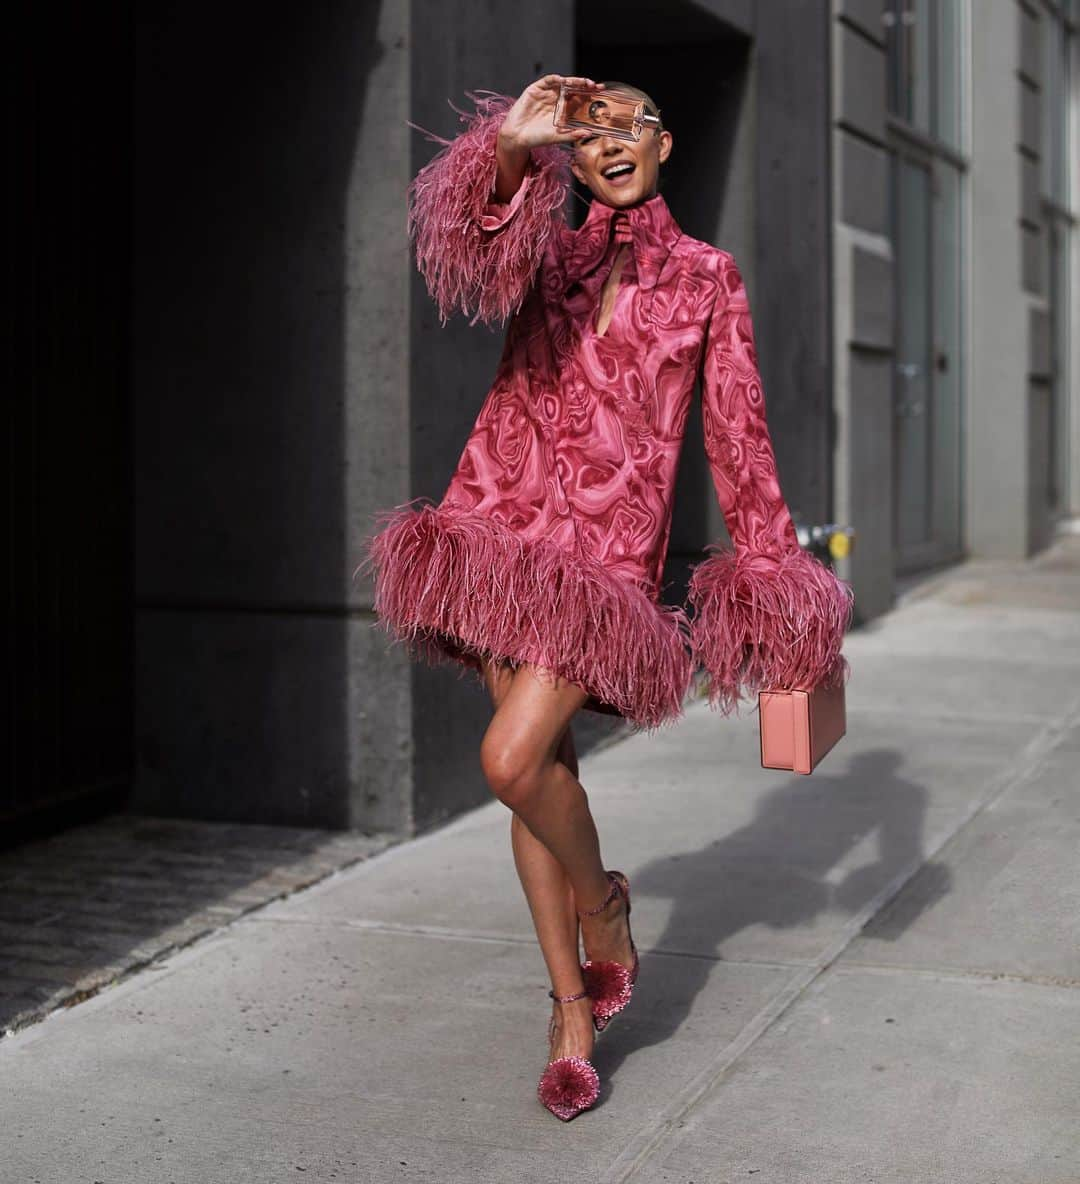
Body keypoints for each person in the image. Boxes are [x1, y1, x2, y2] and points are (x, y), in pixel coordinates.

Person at [356, 74, 853, 1121]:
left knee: (507, 761)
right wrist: (511, 143)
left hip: (602, 569)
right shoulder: (548, 252)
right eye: (591, 132)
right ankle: (570, 1011)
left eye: (630, 124)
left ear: (665, 144)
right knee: (540, 773)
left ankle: (607, 910)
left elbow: (740, 440)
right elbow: (471, 247)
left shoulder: (711, 278)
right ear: (574, 159)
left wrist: (774, 583)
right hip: (498, 530)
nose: (611, 141)